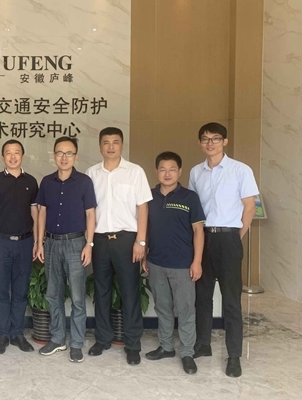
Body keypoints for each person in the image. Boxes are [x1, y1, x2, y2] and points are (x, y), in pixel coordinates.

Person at [189, 122, 259, 378]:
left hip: (229, 238)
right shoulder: (196, 172)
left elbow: (249, 207)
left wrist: (236, 237)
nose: (210, 143)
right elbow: (194, 209)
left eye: (216, 138)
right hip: (203, 238)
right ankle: (203, 344)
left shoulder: (241, 170)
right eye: (205, 138)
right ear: (200, 143)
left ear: (225, 141)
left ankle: (234, 355)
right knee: (202, 296)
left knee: (231, 301)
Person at [85, 127, 152, 365]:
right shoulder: (91, 173)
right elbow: (88, 211)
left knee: (130, 292)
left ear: (122, 145)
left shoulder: (135, 172)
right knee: (101, 290)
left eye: (115, 142)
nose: (111, 146)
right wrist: (89, 242)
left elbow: (143, 208)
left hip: (127, 240)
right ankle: (103, 339)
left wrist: (141, 241)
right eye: (106, 142)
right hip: (100, 240)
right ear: (100, 146)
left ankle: (133, 344)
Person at [141, 151, 205, 374]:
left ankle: (187, 352)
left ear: (180, 171)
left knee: (186, 309)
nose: (167, 174)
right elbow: (145, 228)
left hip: (183, 265)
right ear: (156, 171)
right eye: (162, 169)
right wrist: (145, 254)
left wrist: (197, 261)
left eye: (172, 169)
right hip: (156, 262)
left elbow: (198, 231)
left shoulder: (190, 197)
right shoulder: (149, 196)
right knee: (163, 307)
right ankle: (166, 347)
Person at [35, 137, 96, 363]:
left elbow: (90, 214)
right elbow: (42, 212)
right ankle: (58, 338)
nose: (64, 157)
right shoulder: (47, 182)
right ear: (54, 155)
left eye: (69, 153)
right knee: (54, 294)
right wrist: (39, 242)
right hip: (51, 243)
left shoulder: (84, 182)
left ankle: (77, 343)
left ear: (75, 156)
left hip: (76, 243)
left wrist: (89, 244)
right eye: (60, 153)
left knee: (78, 297)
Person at [0, 140, 38, 355]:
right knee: (1, 290)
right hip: (0, 242)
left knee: (20, 290)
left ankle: (17, 333)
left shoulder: (31, 182)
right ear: (3, 157)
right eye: (8, 153)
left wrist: (37, 241)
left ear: (22, 156)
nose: (13, 156)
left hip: (25, 242)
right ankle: (3, 334)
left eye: (17, 153)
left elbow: (35, 213)